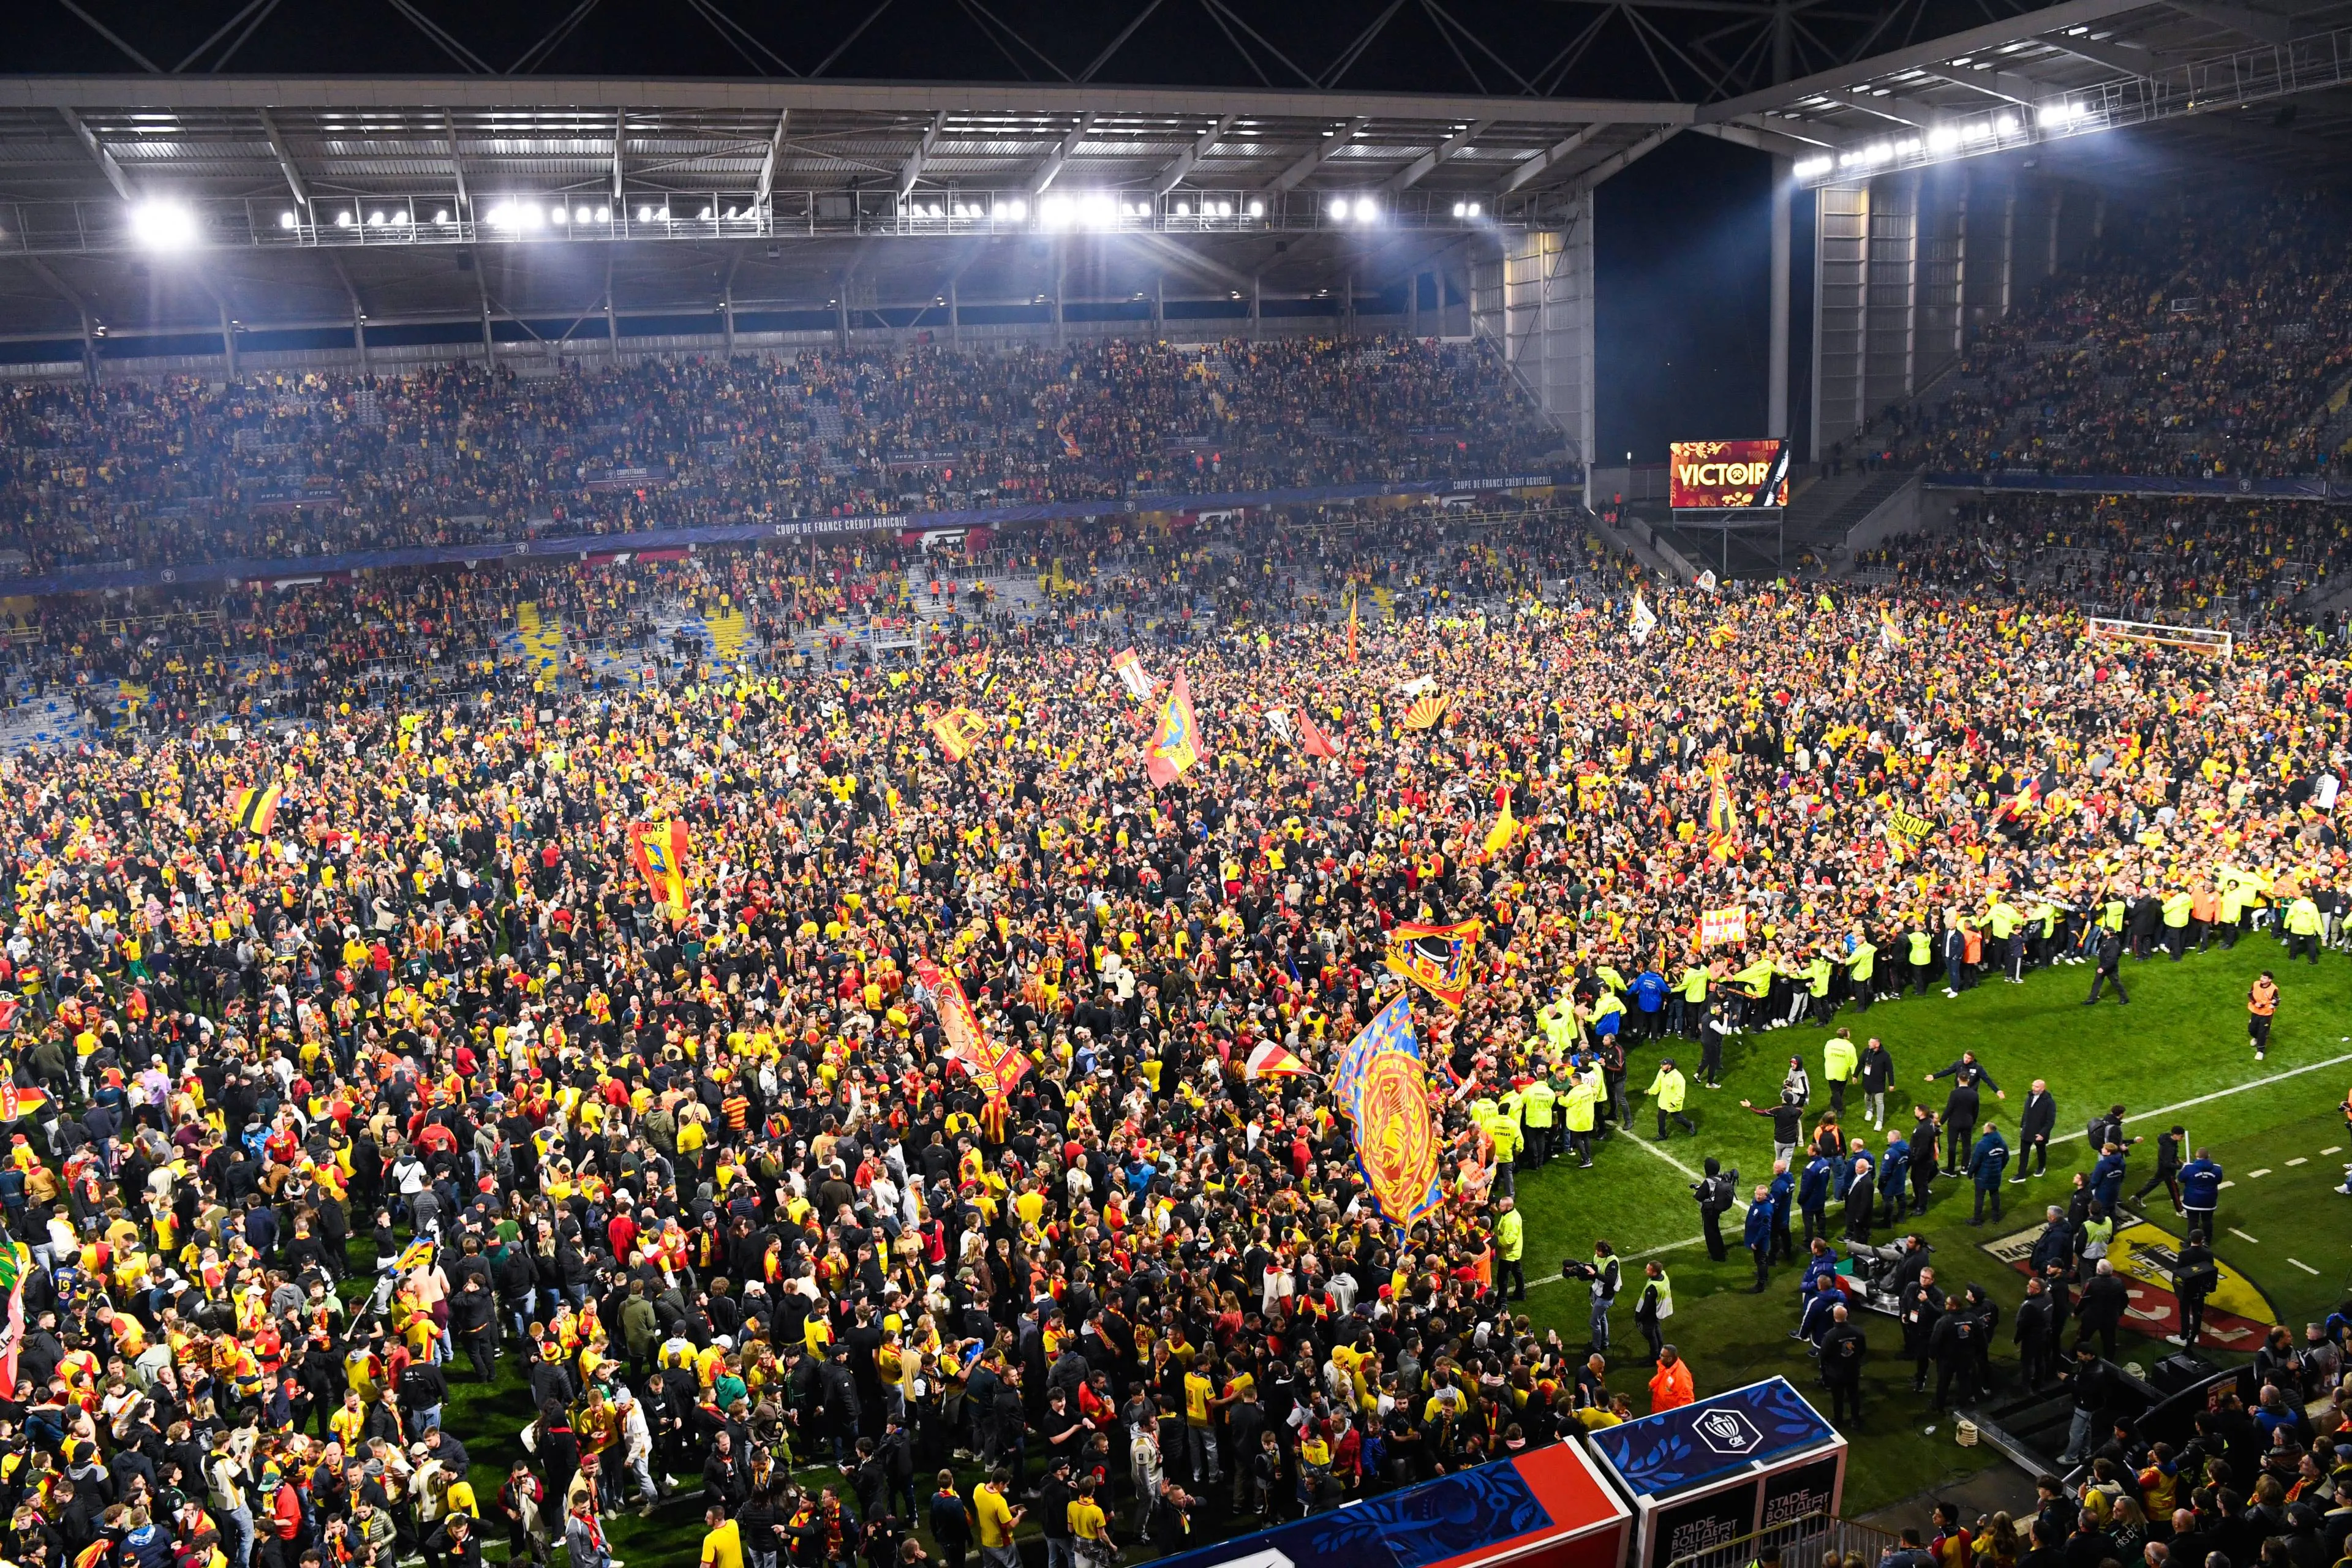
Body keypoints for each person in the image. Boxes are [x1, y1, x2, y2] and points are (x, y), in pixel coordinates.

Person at [2086, 927, 2130, 1006]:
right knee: (2097, 982)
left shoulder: (2114, 944)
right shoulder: (2108, 940)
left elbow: (2112, 959)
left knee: (2116, 983)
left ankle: (2125, 998)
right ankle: (2091, 999)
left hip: (2110, 967)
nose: (2103, 931)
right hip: (2103, 965)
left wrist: (2103, 968)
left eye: (2105, 930)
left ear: (2109, 933)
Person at [1647, 1348, 1694, 1412]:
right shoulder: (1667, 1365)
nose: (1660, 1357)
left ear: (1669, 1359)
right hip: (1660, 1406)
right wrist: (1653, 1383)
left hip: (1668, 1413)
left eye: (1662, 1356)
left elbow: (1686, 1403)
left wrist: (1677, 1418)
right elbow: (1662, 1374)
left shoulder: (1682, 1378)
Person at [2248, 970, 2278, 1060]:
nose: (2262, 979)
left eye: (2265, 978)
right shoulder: (2256, 984)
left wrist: (2273, 1003)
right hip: (2256, 1011)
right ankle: (2256, 1037)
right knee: (2252, 1029)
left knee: (2263, 1031)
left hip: (2266, 1013)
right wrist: (2255, 1002)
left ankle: (2260, 1051)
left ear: (2270, 980)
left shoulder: (2273, 989)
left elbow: (2277, 1000)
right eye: (2261, 977)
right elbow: (2250, 994)